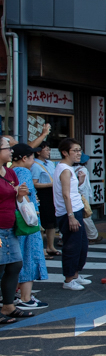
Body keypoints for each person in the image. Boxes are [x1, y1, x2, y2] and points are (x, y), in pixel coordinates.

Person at [0, 137, 33, 324]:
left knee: (14, 265)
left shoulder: (11, 173)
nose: (11, 151)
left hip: (10, 225)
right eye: (7, 148)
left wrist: (20, 195)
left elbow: (17, 201)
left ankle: (8, 305)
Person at [10, 143, 47, 311]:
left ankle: (17, 295)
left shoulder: (9, 171)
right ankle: (26, 297)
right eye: (32, 158)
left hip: (15, 221)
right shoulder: (23, 171)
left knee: (18, 257)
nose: (33, 162)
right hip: (27, 220)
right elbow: (26, 196)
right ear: (24, 158)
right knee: (29, 255)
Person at [54, 139, 89, 291]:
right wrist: (71, 216)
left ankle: (74, 275)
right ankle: (69, 279)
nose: (78, 153)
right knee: (72, 246)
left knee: (81, 244)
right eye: (75, 150)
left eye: (79, 150)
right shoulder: (65, 170)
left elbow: (72, 192)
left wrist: (80, 181)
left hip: (75, 210)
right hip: (70, 212)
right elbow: (66, 195)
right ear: (65, 152)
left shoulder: (68, 169)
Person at [30, 142, 58, 257]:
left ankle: (50, 246)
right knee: (42, 222)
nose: (48, 152)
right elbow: (34, 184)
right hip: (42, 194)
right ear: (38, 152)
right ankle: (41, 249)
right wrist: (50, 184)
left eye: (49, 149)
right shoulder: (35, 165)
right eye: (46, 149)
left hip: (52, 194)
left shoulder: (51, 164)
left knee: (51, 222)